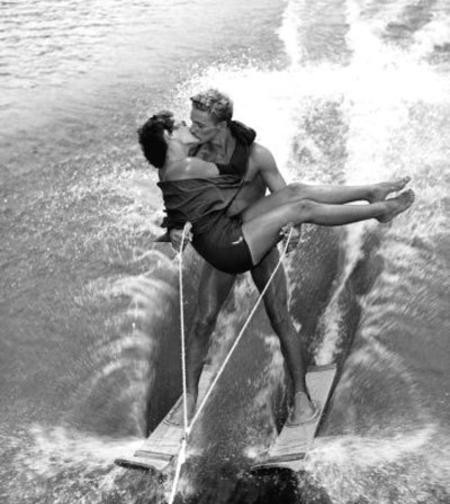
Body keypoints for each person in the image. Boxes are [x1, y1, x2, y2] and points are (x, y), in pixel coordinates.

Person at [139, 109, 414, 424]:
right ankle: (189, 398)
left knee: (280, 315)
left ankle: (300, 396)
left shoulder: (256, 156)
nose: (196, 129)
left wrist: (291, 228)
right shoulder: (192, 159)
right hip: (225, 240)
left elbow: (283, 196)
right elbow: (180, 206)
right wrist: (175, 230)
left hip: (258, 237)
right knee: (203, 321)